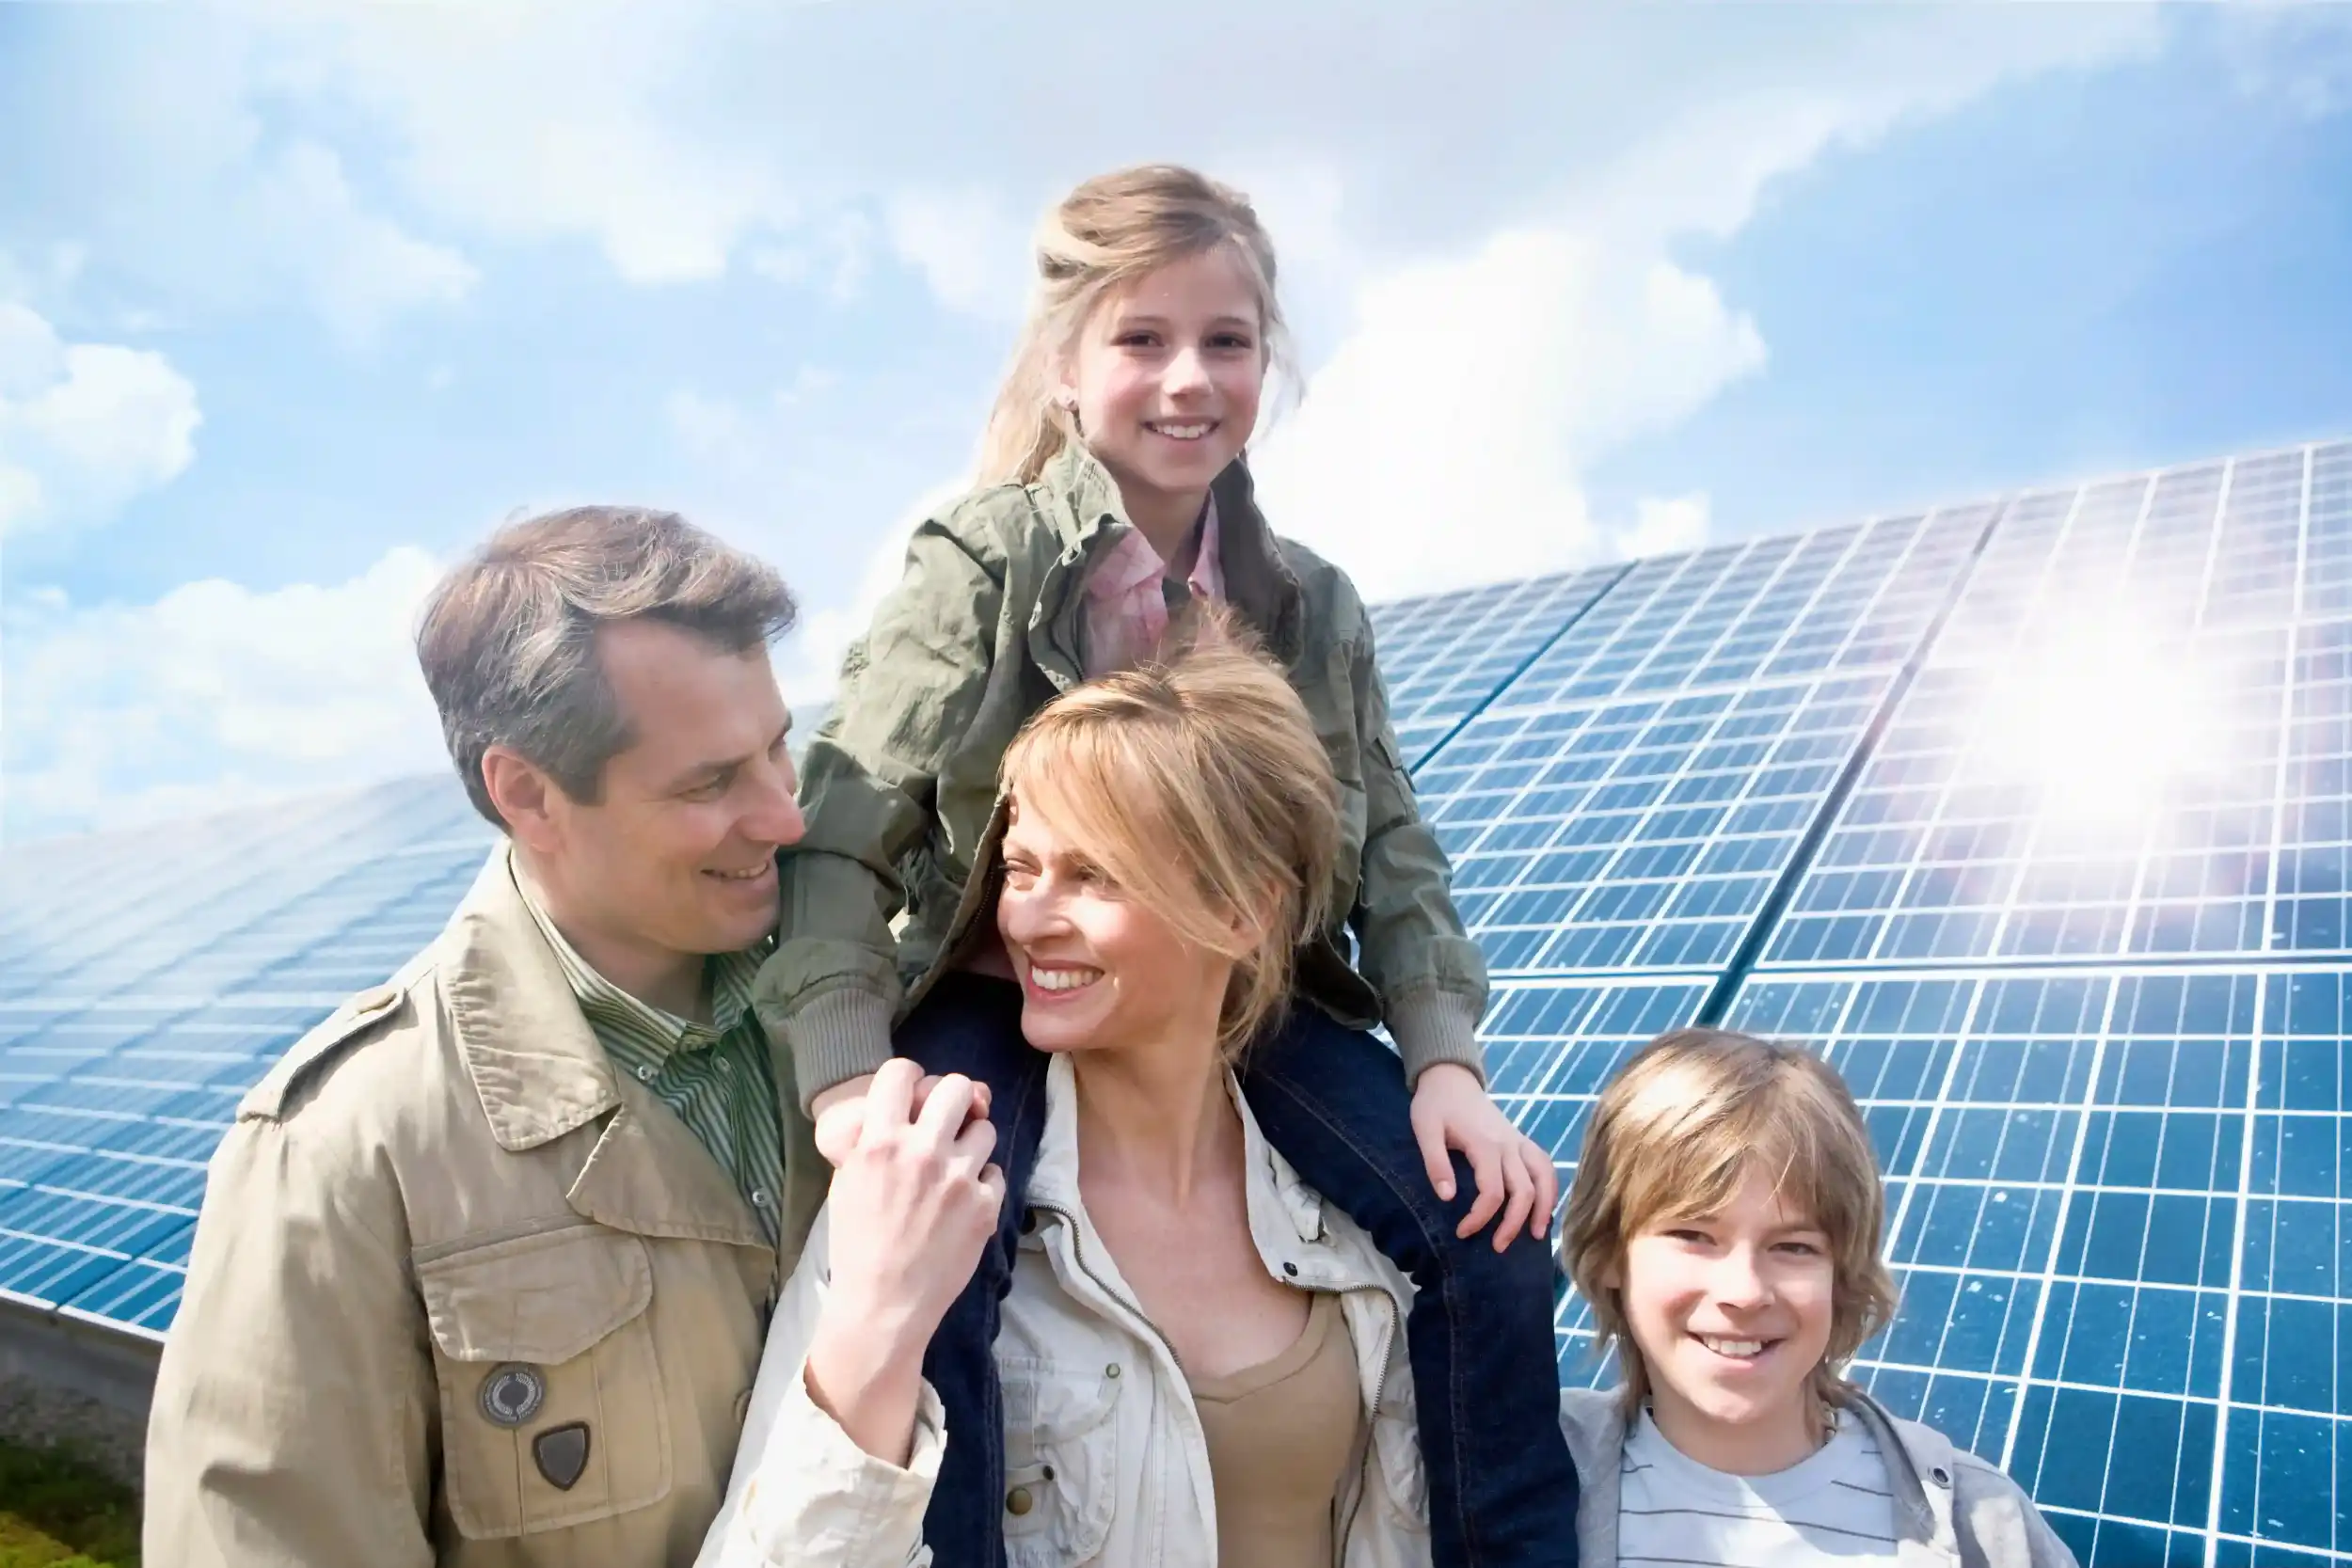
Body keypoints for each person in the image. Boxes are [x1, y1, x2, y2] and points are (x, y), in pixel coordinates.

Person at [759, 164, 1574, 1568]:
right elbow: (846, 824)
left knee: (1487, 1241)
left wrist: (1445, 1057)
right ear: (1067, 370)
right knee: (943, 1257)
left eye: (1229, 341)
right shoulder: (982, 564)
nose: (1188, 378)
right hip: (1015, 978)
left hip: (1241, 989)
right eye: (1142, 340)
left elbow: (1388, 839)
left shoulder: (1306, 604)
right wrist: (844, 1073)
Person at [143, 507, 989, 1567]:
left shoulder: (881, 1016)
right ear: (528, 794)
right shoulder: (344, 1150)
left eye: (782, 748)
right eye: (710, 781)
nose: (784, 816)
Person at [704, 620, 1434, 1568]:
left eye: (1093, 874)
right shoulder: (924, 1190)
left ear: (1241, 907)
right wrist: (877, 1321)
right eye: (1020, 867)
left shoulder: (1357, 1209)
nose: (1029, 919)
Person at [1555, 1027, 2080, 1568]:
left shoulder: (1983, 1526)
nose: (1745, 1292)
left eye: (1794, 1246)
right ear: (1609, 1254)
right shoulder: (1519, 1484)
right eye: (1693, 1236)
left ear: (1841, 1272)